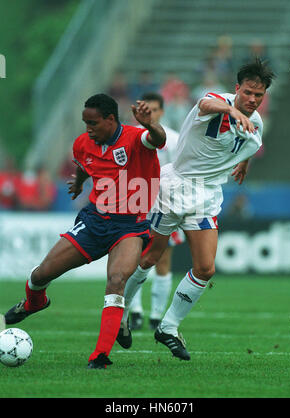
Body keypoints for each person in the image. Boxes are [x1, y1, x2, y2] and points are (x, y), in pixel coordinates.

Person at [117, 58, 275, 360]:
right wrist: (231, 109)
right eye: (248, 93)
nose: (253, 100)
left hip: (206, 196)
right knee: (151, 256)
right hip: (176, 188)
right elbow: (204, 103)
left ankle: (168, 327)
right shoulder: (218, 101)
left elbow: (249, 140)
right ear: (237, 88)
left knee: (205, 268)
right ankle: (120, 313)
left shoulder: (257, 122)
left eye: (259, 95)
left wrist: (243, 161)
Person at [4, 93, 166, 370]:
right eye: (85, 123)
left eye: (93, 123)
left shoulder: (135, 138)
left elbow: (158, 140)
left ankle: (100, 356)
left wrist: (150, 124)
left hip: (130, 226)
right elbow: (84, 165)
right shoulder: (83, 143)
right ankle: (34, 303)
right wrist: (79, 183)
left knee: (116, 280)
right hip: (94, 222)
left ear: (110, 120)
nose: (88, 129)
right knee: (41, 274)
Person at [129, 92, 185, 331]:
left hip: (165, 205)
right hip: (137, 204)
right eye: (145, 109)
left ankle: (156, 315)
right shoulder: (132, 135)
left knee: (163, 260)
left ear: (161, 111)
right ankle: (135, 312)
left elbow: (181, 172)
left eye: (153, 109)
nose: (149, 113)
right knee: (133, 258)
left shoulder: (173, 139)